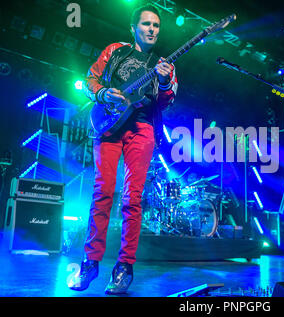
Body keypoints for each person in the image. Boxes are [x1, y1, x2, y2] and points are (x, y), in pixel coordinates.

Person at [68, 4, 178, 294]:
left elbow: (167, 101)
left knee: (132, 198)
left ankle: (124, 267)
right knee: (102, 192)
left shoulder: (164, 63)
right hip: (109, 124)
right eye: (146, 24)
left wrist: (165, 82)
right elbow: (90, 79)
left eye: (156, 25)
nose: (152, 29)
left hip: (142, 129)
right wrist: (103, 92)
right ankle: (90, 263)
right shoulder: (116, 50)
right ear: (134, 28)